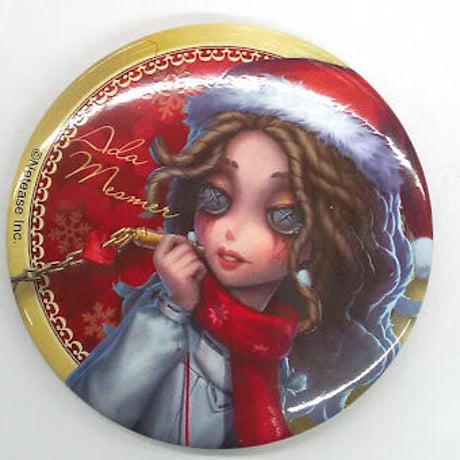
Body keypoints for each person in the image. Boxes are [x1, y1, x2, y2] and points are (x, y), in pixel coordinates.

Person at [67, 58, 431, 448]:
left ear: (319, 240)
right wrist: (172, 309)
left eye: (283, 215)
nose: (234, 229)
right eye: (216, 197)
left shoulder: (285, 348)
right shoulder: (168, 313)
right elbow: (94, 403)